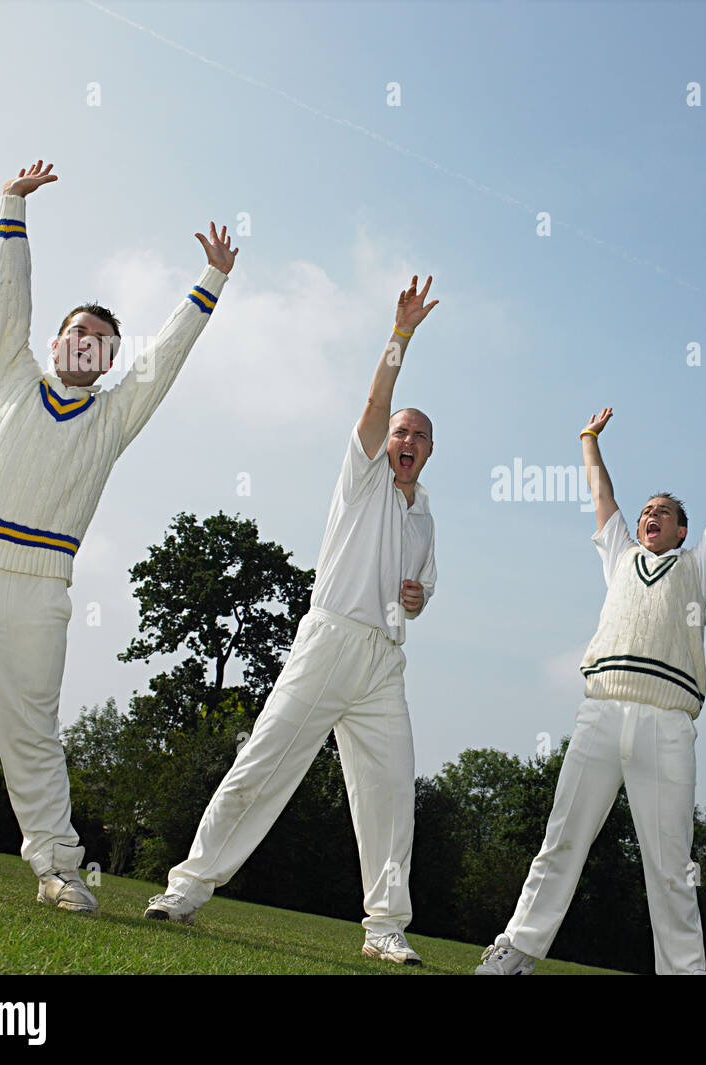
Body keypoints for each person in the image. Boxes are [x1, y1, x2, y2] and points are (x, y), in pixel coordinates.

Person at [0, 160, 237, 913]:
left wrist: (208, 284)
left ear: (110, 362)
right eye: (78, 331)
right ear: (55, 343)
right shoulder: (3, 373)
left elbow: (165, 362)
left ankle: (57, 869)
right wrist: (11, 207)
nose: (88, 342)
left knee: (33, 743)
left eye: (103, 340)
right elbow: (5, 301)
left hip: (36, 593)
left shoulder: (112, 419)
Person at [145, 276, 439, 967]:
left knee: (393, 794)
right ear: (385, 439)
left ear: (428, 453)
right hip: (329, 639)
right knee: (264, 762)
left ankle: (384, 927)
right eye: (401, 430)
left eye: (419, 436)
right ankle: (186, 887)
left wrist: (416, 600)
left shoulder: (425, 513)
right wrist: (400, 338)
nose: (406, 438)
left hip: (383, 665)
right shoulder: (362, 476)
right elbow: (375, 400)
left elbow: (421, 592)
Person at [476, 404, 706, 975]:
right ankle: (514, 953)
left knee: (669, 867)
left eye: (662, 512)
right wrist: (589, 439)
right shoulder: (620, 558)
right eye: (646, 511)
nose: (650, 517)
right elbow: (601, 495)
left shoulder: (697, 566)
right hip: (601, 714)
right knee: (561, 842)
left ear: (681, 530)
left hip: (666, 726)